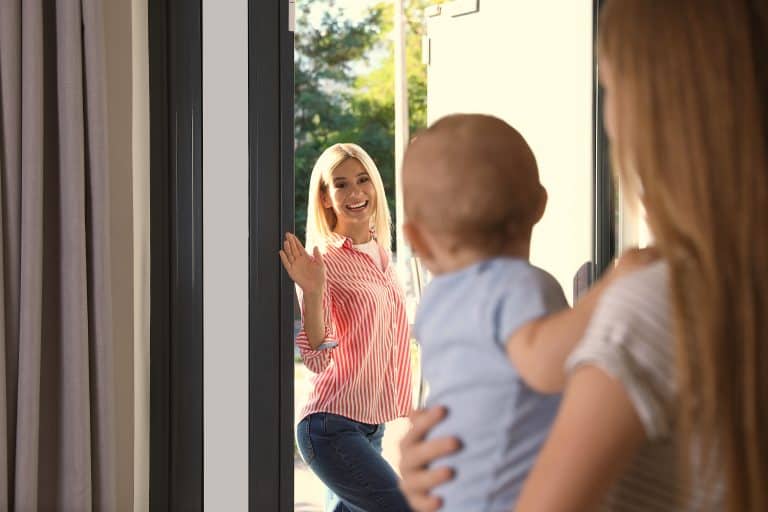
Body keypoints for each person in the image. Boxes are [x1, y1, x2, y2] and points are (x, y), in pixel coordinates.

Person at [399, 1, 768, 511]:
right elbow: (539, 364)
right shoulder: (699, 293)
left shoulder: (652, 306)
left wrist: (436, 491)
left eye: (610, 88)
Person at [401, 113, 646, 511]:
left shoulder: (435, 302)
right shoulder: (517, 284)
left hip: (449, 488)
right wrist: (613, 288)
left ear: (415, 239)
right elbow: (545, 365)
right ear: (539, 205)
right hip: (501, 495)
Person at [280, 143, 413, 511]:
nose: (355, 192)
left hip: (372, 426)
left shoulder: (383, 256)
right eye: (340, 184)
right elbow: (318, 358)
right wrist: (313, 290)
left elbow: (391, 339)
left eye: (362, 179)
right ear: (324, 198)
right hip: (329, 425)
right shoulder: (324, 261)